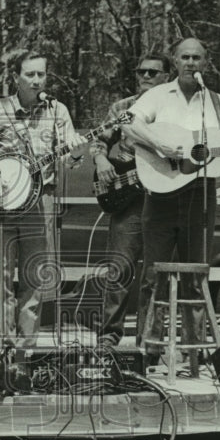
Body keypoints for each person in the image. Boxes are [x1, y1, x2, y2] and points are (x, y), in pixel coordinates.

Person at [123, 37, 220, 357]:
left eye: (197, 58)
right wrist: (161, 146)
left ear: (206, 63)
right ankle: (147, 349)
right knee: (154, 275)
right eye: (185, 57)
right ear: (175, 62)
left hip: (200, 193)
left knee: (196, 274)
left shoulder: (218, 103)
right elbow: (130, 125)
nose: (191, 63)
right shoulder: (157, 96)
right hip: (161, 194)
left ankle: (194, 350)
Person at [0, 50, 87, 346]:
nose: (36, 80)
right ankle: (2, 346)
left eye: (41, 74)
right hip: (1, 201)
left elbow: (72, 160)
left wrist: (76, 151)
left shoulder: (57, 111)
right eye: (30, 74)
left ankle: (26, 348)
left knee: (34, 277)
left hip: (40, 201)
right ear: (15, 78)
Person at [90, 54, 171, 346]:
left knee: (154, 275)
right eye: (141, 72)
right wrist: (100, 159)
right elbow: (99, 139)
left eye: (153, 72)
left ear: (167, 77)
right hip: (129, 201)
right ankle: (109, 336)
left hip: (163, 200)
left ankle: (149, 341)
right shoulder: (123, 108)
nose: (146, 77)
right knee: (119, 269)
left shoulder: (175, 111)